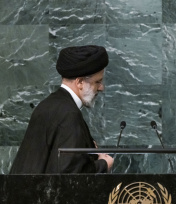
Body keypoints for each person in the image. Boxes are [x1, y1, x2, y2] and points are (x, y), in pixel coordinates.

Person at [10, 45, 114, 174]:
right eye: (97, 82)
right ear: (80, 82)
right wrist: (104, 164)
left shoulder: (47, 104)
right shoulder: (69, 114)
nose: (101, 88)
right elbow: (70, 175)